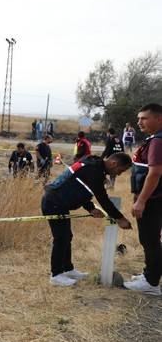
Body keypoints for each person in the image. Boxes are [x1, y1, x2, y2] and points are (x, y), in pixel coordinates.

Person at [42, 152, 133, 286]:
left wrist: (90, 208)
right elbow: (103, 199)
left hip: (59, 203)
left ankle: (67, 269)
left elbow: (80, 188)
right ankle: (56, 275)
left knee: (67, 236)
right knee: (61, 238)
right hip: (53, 203)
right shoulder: (94, 169)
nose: (118, 174)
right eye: (120, 171)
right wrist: (120, 218)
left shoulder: (94, 165)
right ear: (114, 163)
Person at [124, 103, 162, 296]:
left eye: (144, 118)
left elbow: (154, 173)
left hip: (152, 200)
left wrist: (141, 201)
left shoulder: (157, 142)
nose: (139, 122)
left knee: (150, 239)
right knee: (149, 239)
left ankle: (152, 283)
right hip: (153, 199)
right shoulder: (154, 139)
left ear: (159, 119)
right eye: (139, 118)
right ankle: (149, 273)